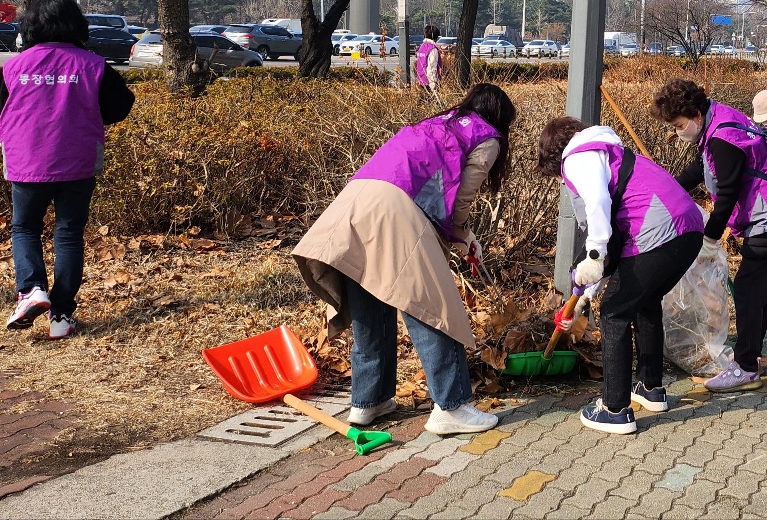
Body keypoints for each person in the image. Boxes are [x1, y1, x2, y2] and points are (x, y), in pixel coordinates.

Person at [293, 84, 516, 436]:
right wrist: (463, 234)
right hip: (394, 211)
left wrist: (460, 238)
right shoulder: (487, 136)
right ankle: (452, 406)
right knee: (431, 307)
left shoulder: (438, 123)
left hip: (355, 202)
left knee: (371, 300)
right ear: (501, 118)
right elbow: (461, 199)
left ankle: (369, 401)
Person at [537, 117, 704, 434]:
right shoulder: (609, 154)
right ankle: (650, 387)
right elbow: (610, 247)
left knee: (614, 312)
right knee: (645, 300)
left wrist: (595, 253)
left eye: (557, 177)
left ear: (554, 158)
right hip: (688, 229)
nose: (562, 182)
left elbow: (599, 223)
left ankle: (614, 408)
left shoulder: (577, 156)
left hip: (660, 233)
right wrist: (583, 297)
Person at [0, 0, 135, 339]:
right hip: (78, 162)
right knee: (68, 234)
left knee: (25, 228)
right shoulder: (94, 65)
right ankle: (62, 316)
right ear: (76, 25)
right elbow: (120, 106)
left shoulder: (13, 67)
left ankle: (31, 290)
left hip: (27, 162)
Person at [656, 80, 767, 392]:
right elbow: (699, 170)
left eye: (678, 125)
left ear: (696, 115)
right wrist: (666, 191)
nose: (677, 132)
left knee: (747, 291)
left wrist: (711, 239)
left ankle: (744, 367)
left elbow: (726, 193)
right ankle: (750, 357)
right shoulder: (719, 121)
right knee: (758, 291)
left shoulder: (721, 137)